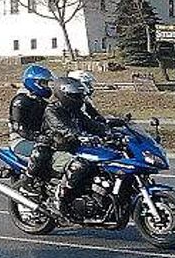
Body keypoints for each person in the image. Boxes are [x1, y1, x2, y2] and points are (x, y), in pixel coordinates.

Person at [41, 77, 109, 216]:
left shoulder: (74, 110)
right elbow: (62, 128)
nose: (79, 98)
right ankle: (61, 197)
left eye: (79, 95)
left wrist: (109, 131)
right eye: (75, 95)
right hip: (57, 149)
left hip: (75, 148)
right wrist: (79, 136)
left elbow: (91, 124)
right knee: (80, 165)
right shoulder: (52, 110)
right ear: (63, 94)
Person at [8, 64, 55, 193]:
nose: (47, 86)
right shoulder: (20, 101)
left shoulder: (42, 102)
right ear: (34, 82)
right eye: (43, 83)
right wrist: (38, 137)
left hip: (40, 139)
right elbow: (19, 127)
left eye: (47, 83)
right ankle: (27, 183)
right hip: (20, 140)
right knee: (41, 152)